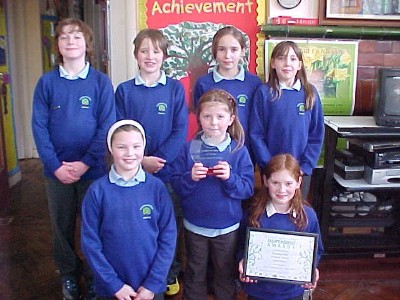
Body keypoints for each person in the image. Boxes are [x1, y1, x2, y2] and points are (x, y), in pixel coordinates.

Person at [31, 18, 115, 300]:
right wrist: (55, 165)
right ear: (57, 45)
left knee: (94, 226)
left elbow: (106, 126)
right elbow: (39, 127)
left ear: (87, 44)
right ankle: (68, 275)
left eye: (77, 36)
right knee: (61, 226)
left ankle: (93, 277)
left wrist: (86, 163)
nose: (70, 41)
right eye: (64, 37)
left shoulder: (101, 82)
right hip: (56, 173)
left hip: (92, 170)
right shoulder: (46, 82)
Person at [114, 28, 187, 296]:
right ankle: (140, 273)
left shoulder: (174, 88)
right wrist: (141, 162)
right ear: (135, 55)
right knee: (140, 222)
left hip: (168, 171)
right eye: (144, 50)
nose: (150, 56)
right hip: (134, 170)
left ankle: (169, 273)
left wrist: (159, 161)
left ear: (164, 55)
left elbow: (180, 130)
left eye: (156, 51)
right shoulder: (124, 91)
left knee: (168, 223)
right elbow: (119, 129)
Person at [170, 89, 254, 300]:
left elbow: (247, 189)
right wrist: (190, 177)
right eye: (207, 116)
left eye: (220, 117)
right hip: (195, 225)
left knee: (225, 274)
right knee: (195, 272)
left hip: (227, 227)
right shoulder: (189, 149)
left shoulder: (238, 151)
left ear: (231, 119)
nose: (213, 122)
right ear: (198, 118)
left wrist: (230, 177)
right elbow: (177, 186)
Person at [81, 120, 177, 300]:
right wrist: (114, 285)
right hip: (111, 289)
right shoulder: (97, 191)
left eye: (136, 146)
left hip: (150, 288)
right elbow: (90, 243)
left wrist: (153, 283)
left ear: (143, 148)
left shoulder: (157, 189)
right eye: (122, 147)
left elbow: (168, 238)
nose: (130, 153)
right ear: (110, 148)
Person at [238, 154, 323, 300]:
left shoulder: (308, 216)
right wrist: (243, 260)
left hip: (292, 291)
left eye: (288, 183)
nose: (282, 189)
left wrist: (311, 268)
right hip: (259, 290)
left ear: (299, 182)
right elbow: (240, 245)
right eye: (275, 182)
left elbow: (317, 249)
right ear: (265, 180)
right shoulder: (253, 213)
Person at [249, 41, 324, 199]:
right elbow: (256, 134)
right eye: (281, 58)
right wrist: (268, 165)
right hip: (271, 172)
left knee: (296, 213)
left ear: (299, 65)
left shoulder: (310, 93)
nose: (287, 63)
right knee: (270, 210)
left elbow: (316, 135)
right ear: (273, 63)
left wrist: (304, 166)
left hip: (299, 171)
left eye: (292, 59)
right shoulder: (264, 93)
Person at [193, 25, 262, 161]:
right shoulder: (203, 83)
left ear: (242, 51)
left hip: (245, 152)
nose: (227, 55)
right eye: (222, 49)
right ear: (214, 51)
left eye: (234, 49)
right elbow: (201, 118)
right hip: (210, 152)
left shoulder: (254, 83)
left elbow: (258, 122)